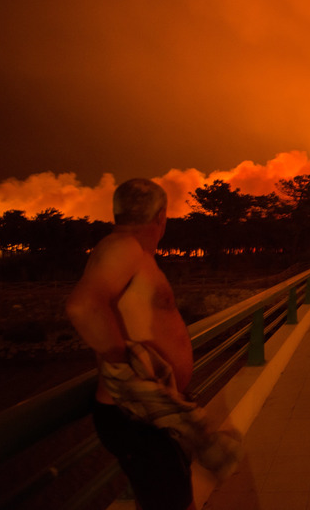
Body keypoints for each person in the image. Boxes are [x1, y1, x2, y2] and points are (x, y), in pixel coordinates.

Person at [66, 178, 239, 510]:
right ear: (162, 216)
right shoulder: (124, 247)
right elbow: (82, 306)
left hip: (152, 411)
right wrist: (122, 361)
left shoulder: (129, 250)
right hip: (136, 414)